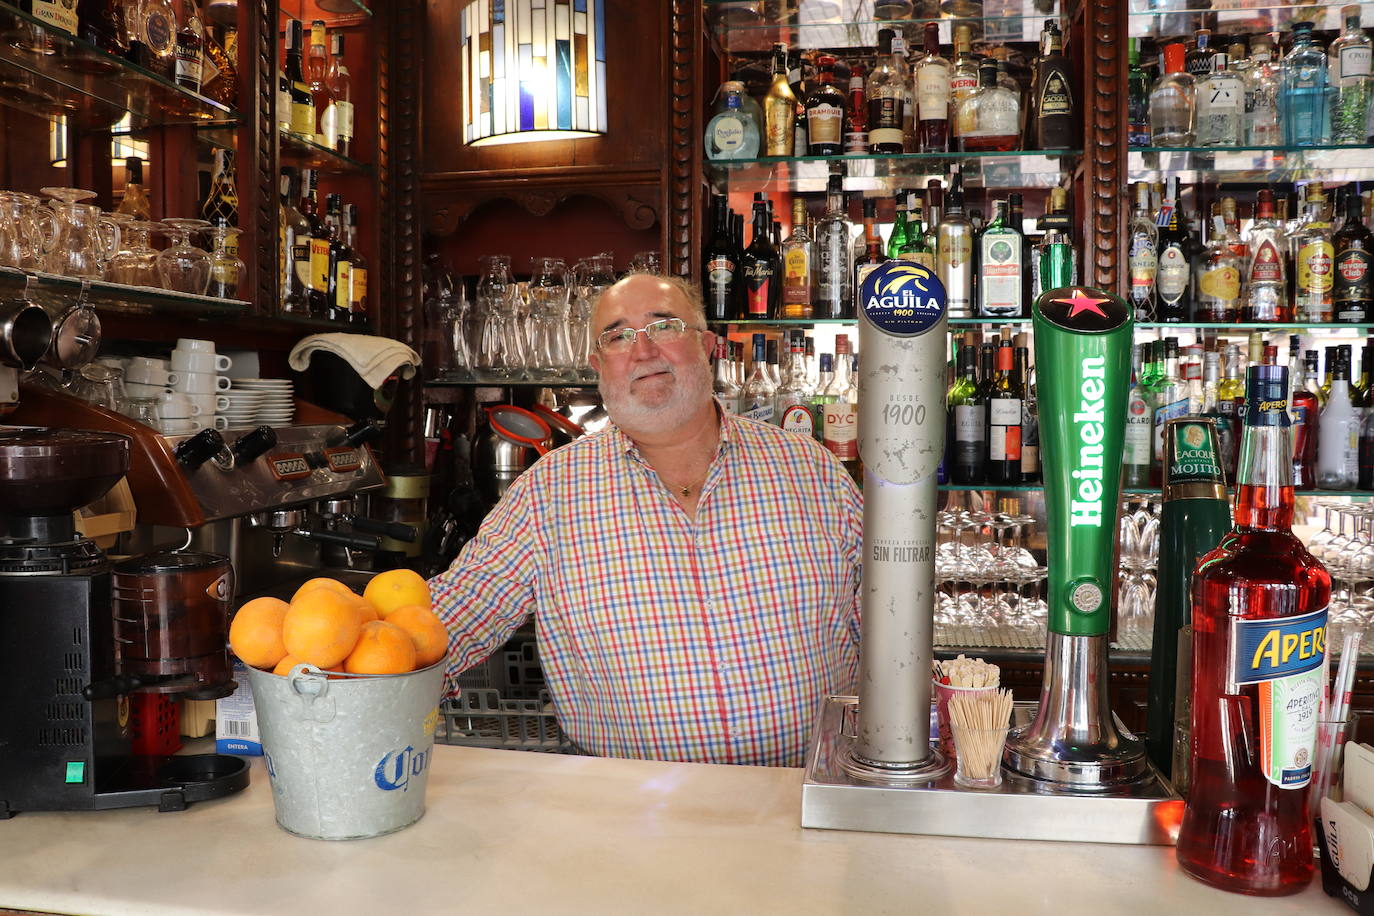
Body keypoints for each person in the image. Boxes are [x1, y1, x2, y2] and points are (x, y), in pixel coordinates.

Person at [430, 273, 861, 767]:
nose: (642, 351)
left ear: (708, 345)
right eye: (617, 336)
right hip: (633, 816)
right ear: (598, 367)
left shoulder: (812, 471)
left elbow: (886, 625)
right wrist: (348, 662)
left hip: (809, 800)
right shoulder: (548, 493)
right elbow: (455, 614)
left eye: (664, 327)